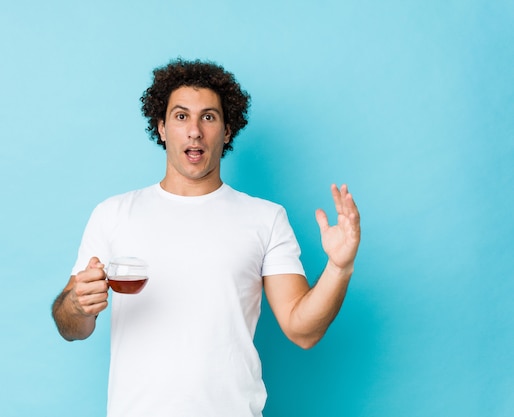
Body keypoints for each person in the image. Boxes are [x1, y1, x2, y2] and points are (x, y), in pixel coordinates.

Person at [52, 58, 361, 417]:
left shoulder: (265, 218)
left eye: (209, 117)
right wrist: (76, 304)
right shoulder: (113, 214)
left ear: (227, 131)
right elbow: (71, 327)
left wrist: (339, 268)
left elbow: (302, 329)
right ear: (162, 127)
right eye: (181, 116)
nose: (194, 131)